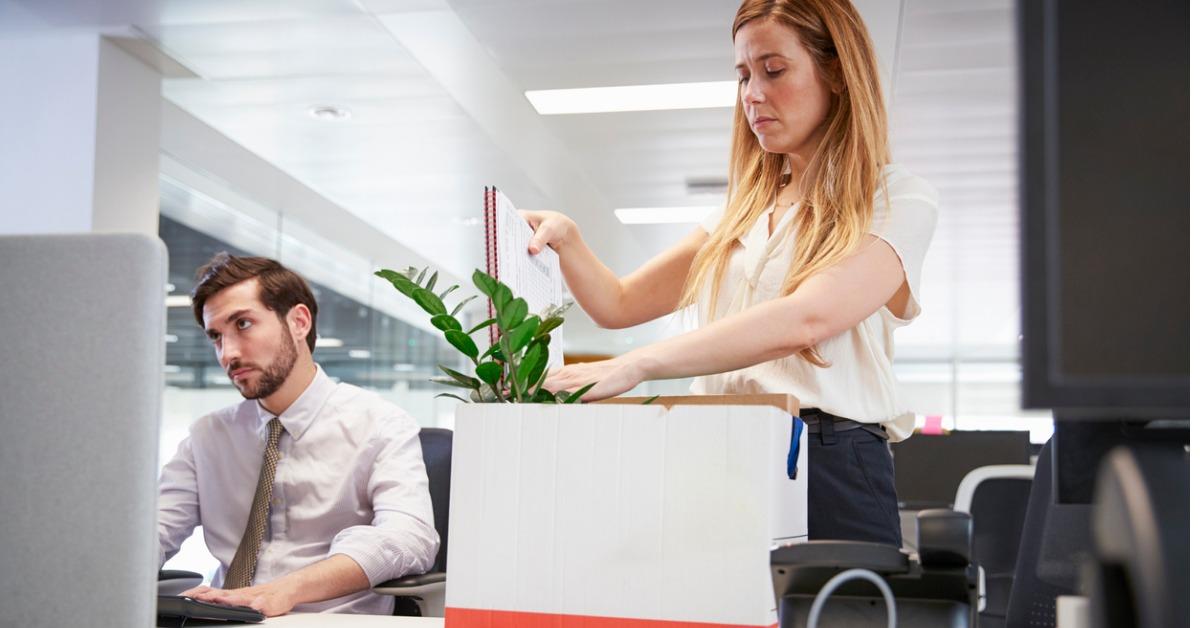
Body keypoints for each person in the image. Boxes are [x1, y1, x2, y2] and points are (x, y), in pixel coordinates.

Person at [529, 0, 937, 546]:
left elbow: (807, 317)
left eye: (774, 70)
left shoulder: (894, 199)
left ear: (837, 73)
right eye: (743, 76)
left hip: (828, 461)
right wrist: (568, 239)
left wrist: (641, 364)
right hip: (718, 449)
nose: (752, 94)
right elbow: (619, 304)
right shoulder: (737, 216)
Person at [157, 253, 439, 615]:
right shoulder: (207, 436)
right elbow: (155, 531)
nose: (228, 354)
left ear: (299, 322)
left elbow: (410, 537)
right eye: (216, 337)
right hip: (224, 619)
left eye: (242, 324)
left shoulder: (379, 424)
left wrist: (286, 590)